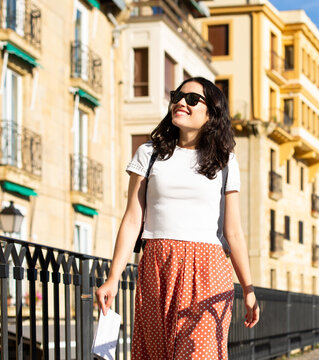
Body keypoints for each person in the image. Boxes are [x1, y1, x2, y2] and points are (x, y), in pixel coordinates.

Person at [95, 77, 260, 359]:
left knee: (198, 353)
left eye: (193, 99)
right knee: (156, 353)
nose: (181, 102)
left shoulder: (225, 161)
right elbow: (133, 219)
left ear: (212, 113)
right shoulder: (149, 154)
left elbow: (233, 231)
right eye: (177, 96)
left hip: (208, 269)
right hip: (157, 267)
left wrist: (248, 288)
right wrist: (113, 277)